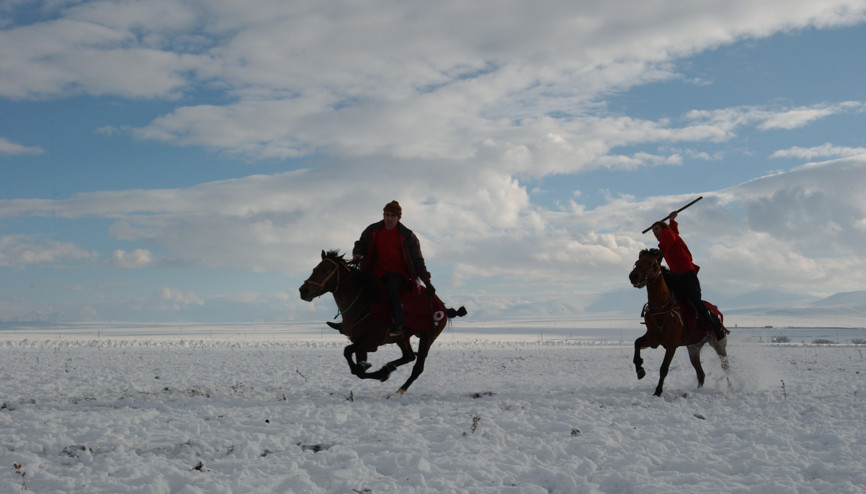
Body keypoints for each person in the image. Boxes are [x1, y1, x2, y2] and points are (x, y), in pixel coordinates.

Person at [353, 200, 433, 338]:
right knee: (356, 285)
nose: (389, 218)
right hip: (376, 270)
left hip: (398, 273)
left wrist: (427, 281)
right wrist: (357, 253)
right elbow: (361, 243)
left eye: (392, 216)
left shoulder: (408, 236)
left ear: (399, 218)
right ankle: (351, 322)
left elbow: (417, 260)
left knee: (391, 287)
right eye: (386, 215)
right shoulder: (372, 230)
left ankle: (398, 324)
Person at [651, 211, 725, 340]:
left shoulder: (667, 234)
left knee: (696, 301)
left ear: (663, 228)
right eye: (653, 232)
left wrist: (656, 256)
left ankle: (716, 326)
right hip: (677, 275)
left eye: (656, 229)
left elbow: (666, 242)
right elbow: (674, 233)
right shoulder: (670, 234)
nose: (655, 233)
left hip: (687, 274)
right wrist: (672, 220)